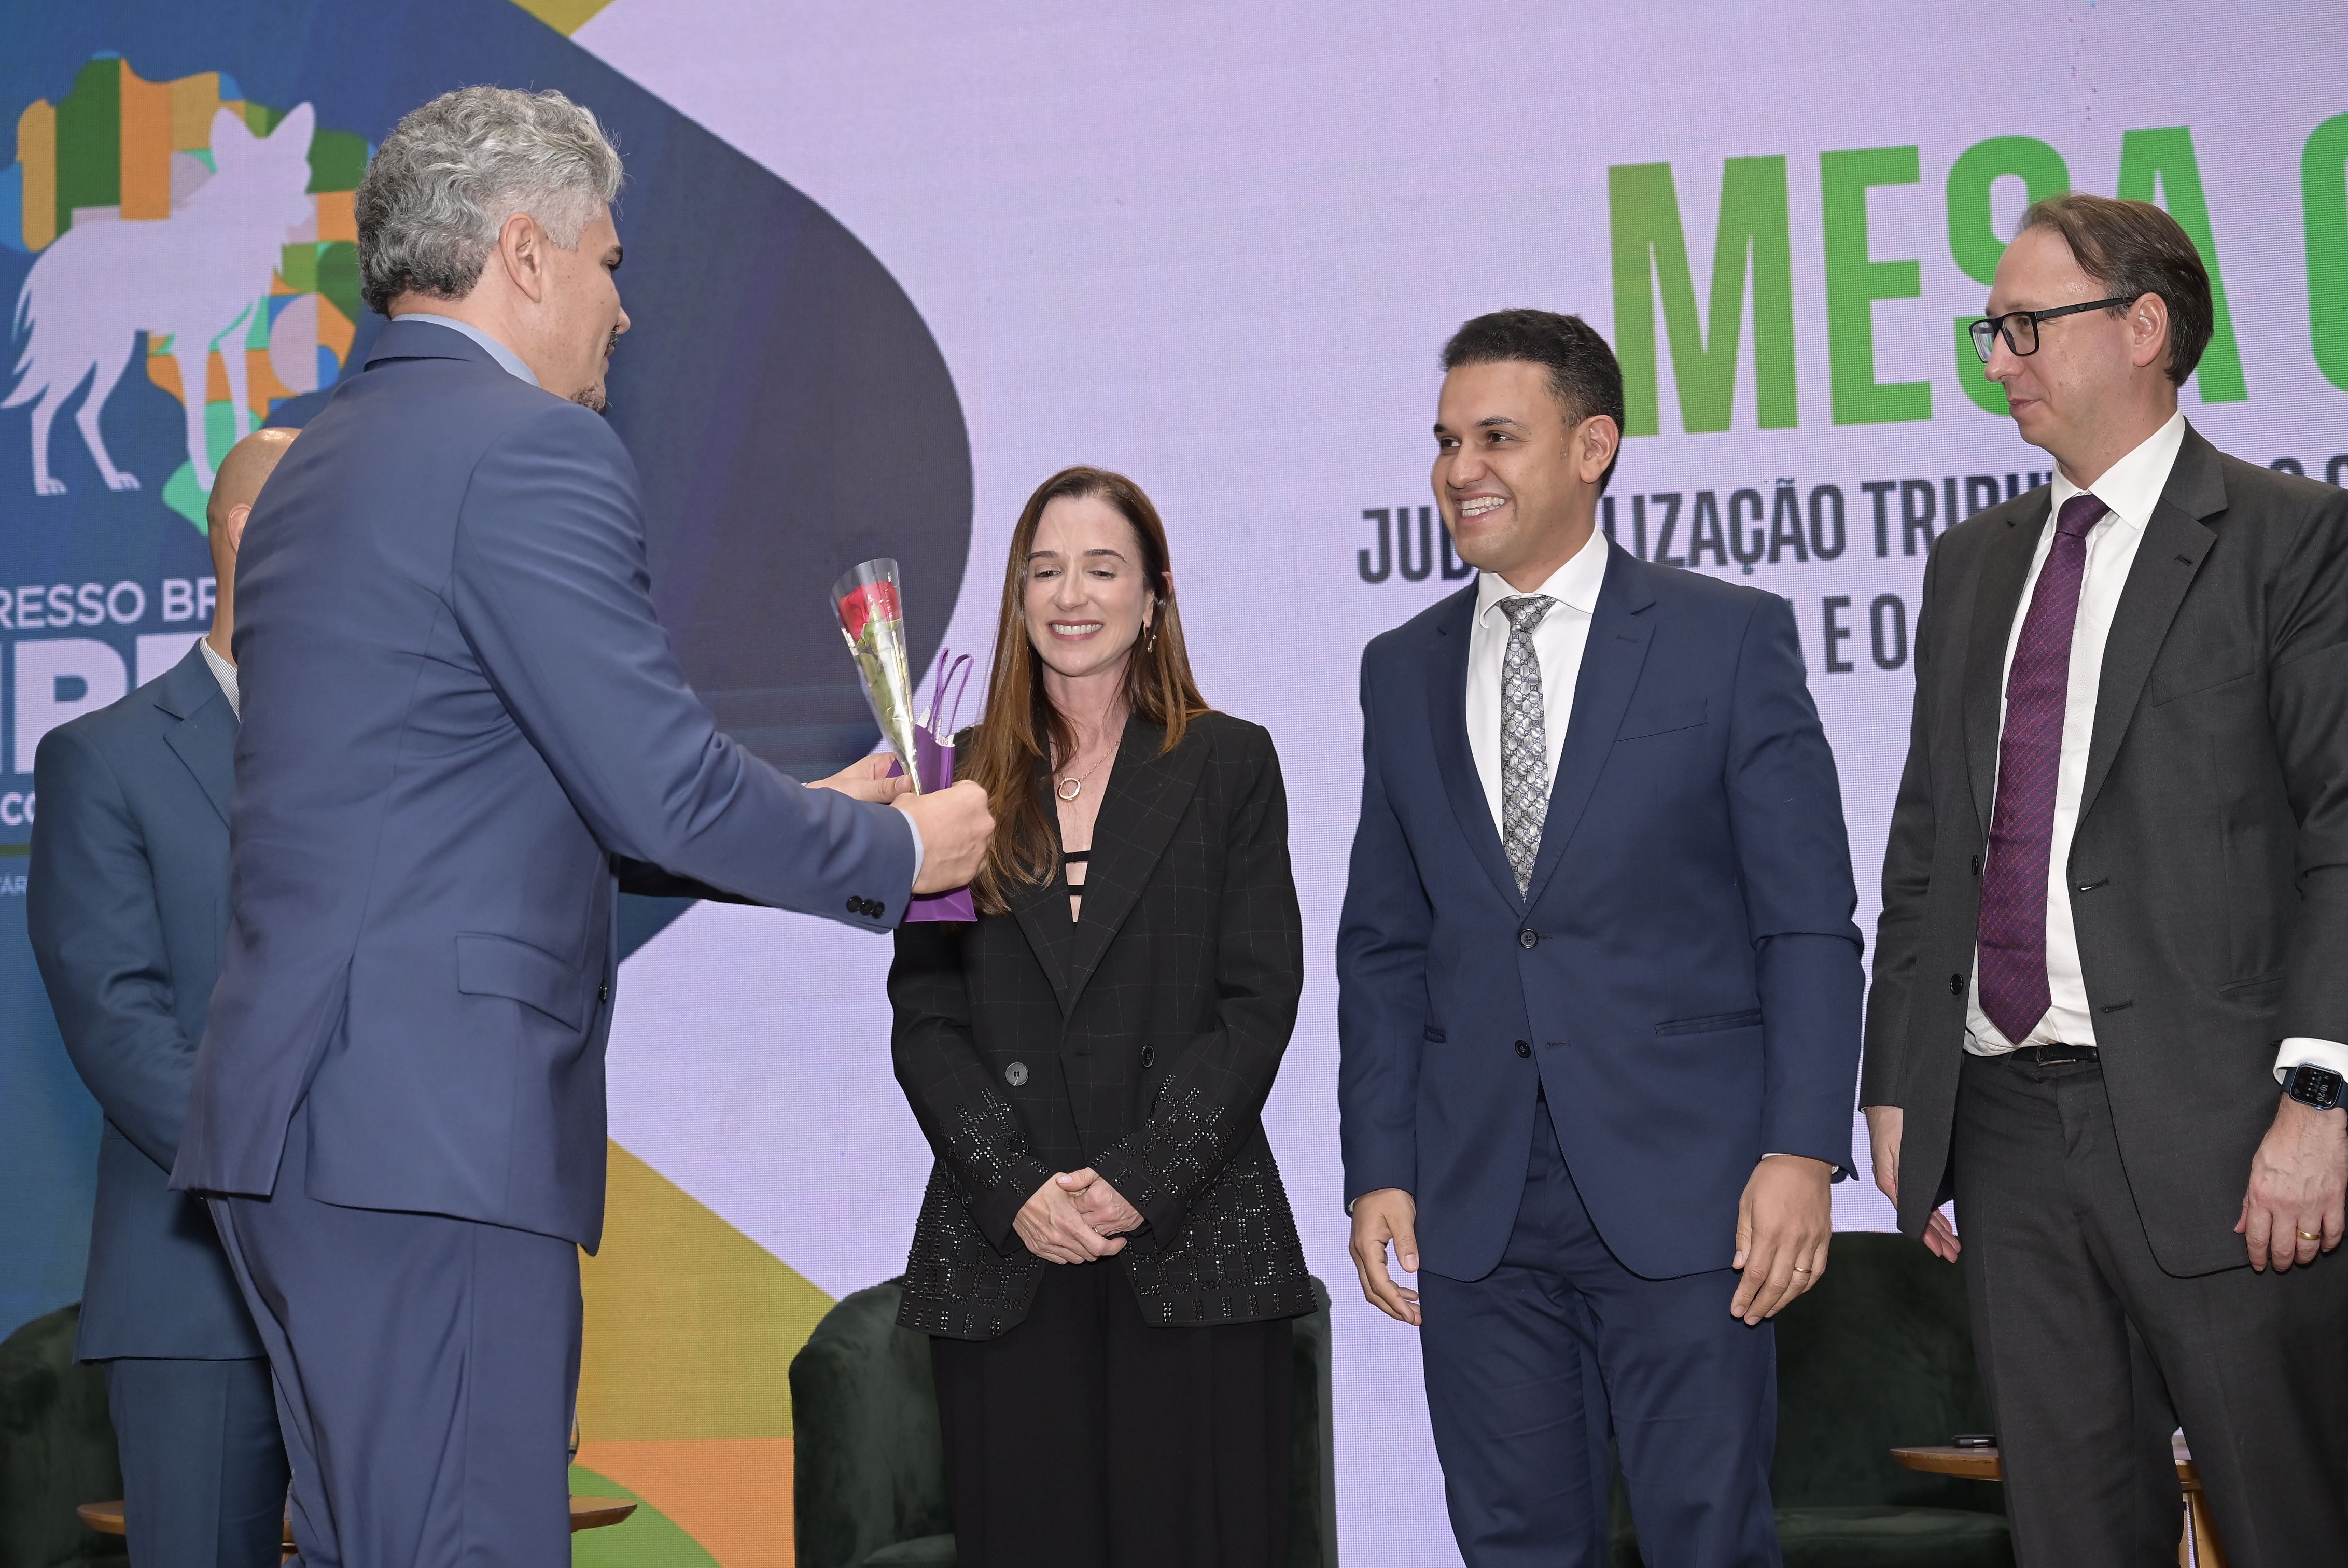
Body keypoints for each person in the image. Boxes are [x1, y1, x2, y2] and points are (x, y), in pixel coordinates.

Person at [165, 87, 994, 1568]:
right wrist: (896, 853)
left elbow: (486, 780)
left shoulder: (310, 473)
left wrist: (807, 811)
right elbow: (655, 782)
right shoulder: (528, 452)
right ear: (525, 252)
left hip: (299, 1132)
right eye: (611, 263)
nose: (625, 310)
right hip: (431, 1135)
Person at [1861, 193, 2348, 1566]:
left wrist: (2320, 1101)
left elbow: (2341, 828)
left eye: (2025, 326)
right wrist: (1899, 1077)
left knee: (2289, 1523)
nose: (1998, 360)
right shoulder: (1971, 564)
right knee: (2070, 1536)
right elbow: (1927, 842)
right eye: (1988, 332)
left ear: (2143, 328)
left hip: (2229, 1136)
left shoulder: (2288, 538)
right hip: (2005, 1128)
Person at [1338, 309, 1864, 1567]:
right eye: (1446, 441)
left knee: (1706, 1540)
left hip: (1690, 1194)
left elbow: (1804, 923)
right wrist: (1378, 1165)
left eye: (1496, 437)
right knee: (1513, 1543)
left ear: (1592, 447)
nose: (1460, 469)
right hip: (1476, 1204)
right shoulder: (1398, 668)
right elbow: (1384, 944)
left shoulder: (1725, 636)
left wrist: (1801, 1150)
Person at [889, 465, 1312, 1568]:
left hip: (1194, 1243)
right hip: (1006, 1252)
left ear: (1153, 596)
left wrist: (1141, 1179)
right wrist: (1015, 1188)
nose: (1070, 594)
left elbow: (1258, 1000)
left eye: (1102, 568)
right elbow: (925, 1020)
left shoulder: (1227, 762)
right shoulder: (952, 779)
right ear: (1018, 597)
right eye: (1045, 570)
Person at [27, 428, 299, 1568]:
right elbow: (119, 1022)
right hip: (199, 1295)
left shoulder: (392, 757)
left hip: (384, 1298)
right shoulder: (107, 757)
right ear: (246, 534)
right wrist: (302, 1179)